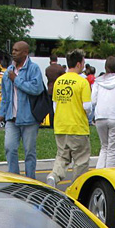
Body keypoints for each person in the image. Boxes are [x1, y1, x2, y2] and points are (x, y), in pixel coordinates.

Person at [0, 40, 44, 178]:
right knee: (9, 148)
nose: (13, 52)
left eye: (17, 50)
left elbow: (37, 88)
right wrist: (1, 114)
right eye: (13, 50)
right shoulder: (8, 72)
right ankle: (14, 178)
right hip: (12, 118)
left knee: (29, 151)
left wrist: (16, 80)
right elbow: (5, 96)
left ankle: (30, 180)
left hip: (29, 119)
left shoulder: (33, 69)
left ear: (25, 53)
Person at [47, 50, 92, 187]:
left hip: (61, 126)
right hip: (78, 127)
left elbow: (55, 105)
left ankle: (54, 176)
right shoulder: (82, 82)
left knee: (62, 156)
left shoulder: (59, 81)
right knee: (81, 161)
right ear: (78, 64)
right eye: (83, 62)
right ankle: (77, 189)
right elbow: (87, 107)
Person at [92, 55, 115, 168]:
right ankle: (110, 176)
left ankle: (99, 173)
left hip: (100, 117)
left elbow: (93, 100)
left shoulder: (98, 81)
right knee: (112, 150)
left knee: (104, 147)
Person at [45, 54, 64, 127]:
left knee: (50, 108)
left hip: (50, 89)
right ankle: (58, 123)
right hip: (59, 89)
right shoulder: (60, 68)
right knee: (59, 107)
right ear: (57, 59)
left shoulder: (48, 69)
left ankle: (51, 124)